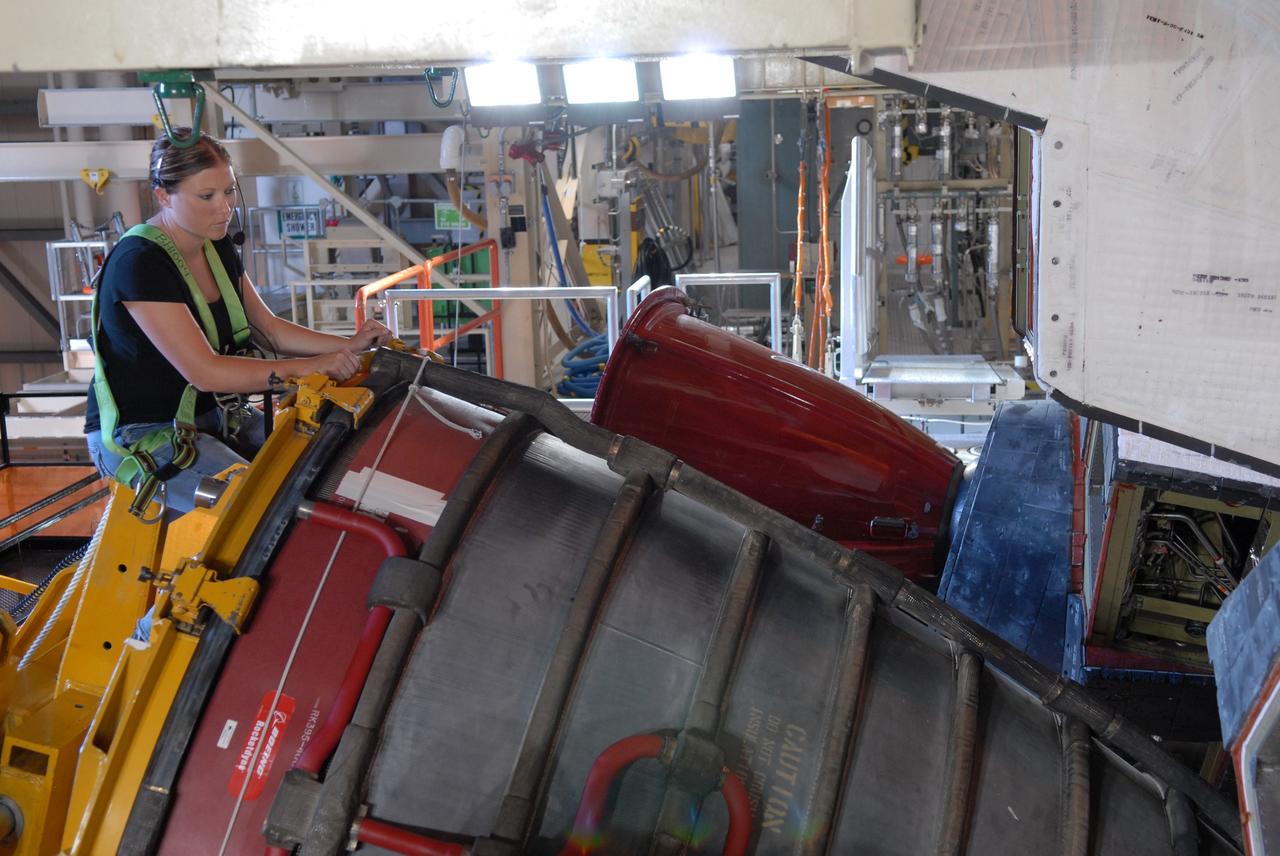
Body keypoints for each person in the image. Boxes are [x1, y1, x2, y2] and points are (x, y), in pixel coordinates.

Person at [85, 129, 391, 515]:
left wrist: (348, 345)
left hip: (214, 417)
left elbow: (269, 328)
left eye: (229, 192)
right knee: (263, 511)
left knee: (326, 471)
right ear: (164, 196)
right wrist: (312, 366)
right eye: (206, 196)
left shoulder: (216, 246)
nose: (223, 207)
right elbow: (205, 372)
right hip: (143, 434)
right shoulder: (140, 262)